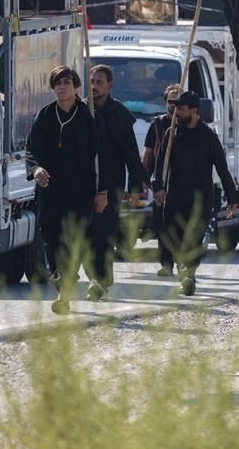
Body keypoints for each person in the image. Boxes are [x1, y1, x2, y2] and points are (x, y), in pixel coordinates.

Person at [26, 67, 102, 312]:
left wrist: (104, 191)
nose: (61, 87)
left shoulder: (88, 117)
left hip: (81, 190)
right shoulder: (45, 116)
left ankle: (64, 293)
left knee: (74, 238)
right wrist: (36, 170)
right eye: (57, 83)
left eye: (66, 82)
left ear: (76, 86)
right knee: (50, 236)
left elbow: (103, 157)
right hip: (51, 189)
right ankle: (62, 276)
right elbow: (32, 150)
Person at [147, 91, 237, 295]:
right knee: (176, 237)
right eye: (175, 108)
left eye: (181, 109)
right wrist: (158, 186)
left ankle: (189, 275)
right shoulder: (172, 134)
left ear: (194, 111)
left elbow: (222, 168)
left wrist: (232, 197)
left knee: (194, 239)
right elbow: (160, 163)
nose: (176, 112)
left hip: (201, 198)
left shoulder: (208, 137)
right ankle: (184, 269)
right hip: (175, 196)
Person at [86, 64, 146, 300]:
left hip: (111, 184)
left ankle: (100, 280)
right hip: (84, 183)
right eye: (92, 81)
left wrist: (134, 187)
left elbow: (131, 153)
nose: (95, 86)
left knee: (103, 234)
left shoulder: (119, 114)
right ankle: (95, 277)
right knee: (85, 235)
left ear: (110, 85)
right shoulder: (82, 109)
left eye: (100, 82)